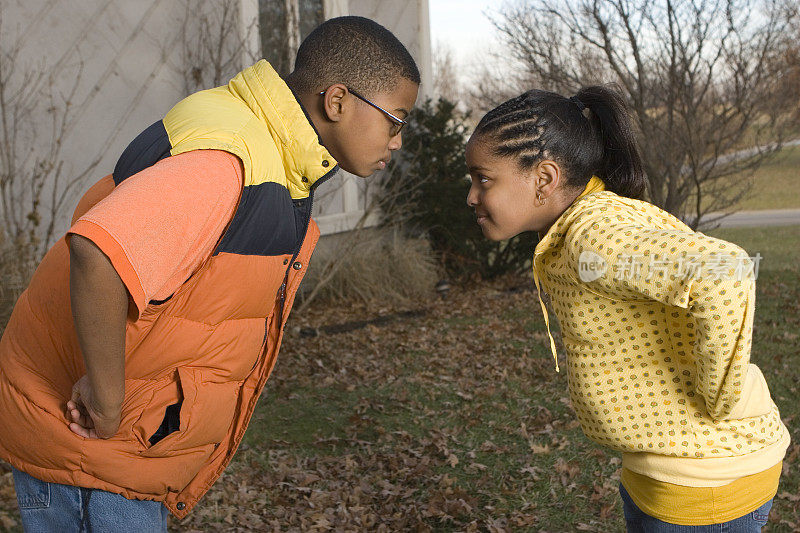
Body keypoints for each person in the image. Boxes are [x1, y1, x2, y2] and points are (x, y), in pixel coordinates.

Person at [0, 15, 419, 532]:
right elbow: (100, 253)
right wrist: (108, 403)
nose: (397, 142)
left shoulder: (272, 159)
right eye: (395, 121)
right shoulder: (231, 160)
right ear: (337, 101)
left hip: (115, 458)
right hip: (90, 456)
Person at [465, 86, 789, 531]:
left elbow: (724, 272)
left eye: (483, 178)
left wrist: (722, 395)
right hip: (659, 467)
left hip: (707, 476)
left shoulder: (593, 235)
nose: (471, 195)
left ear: (543, 179)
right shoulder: (577, 229)